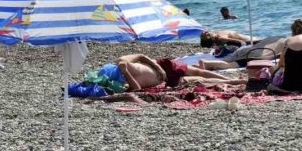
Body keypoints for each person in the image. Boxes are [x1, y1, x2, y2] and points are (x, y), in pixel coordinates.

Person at [101, 54, 240, 92]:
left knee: (198, 72)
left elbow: (141, 56)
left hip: (163, 67)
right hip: (164, 83)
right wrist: (125, 73)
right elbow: (136, 88)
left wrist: (158, 68)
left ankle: (227, 78)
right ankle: (233, 81)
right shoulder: (123, 81)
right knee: (198, 79)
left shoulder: (122, 61)